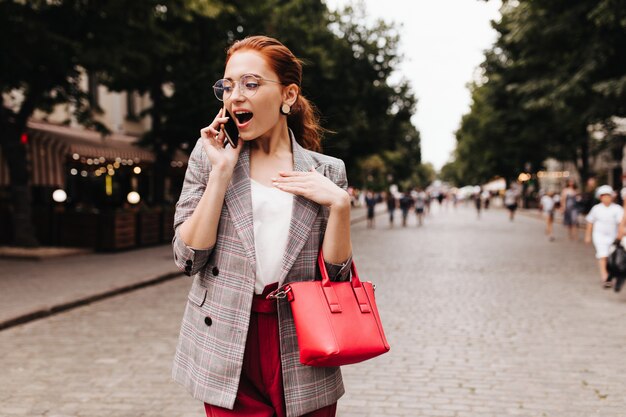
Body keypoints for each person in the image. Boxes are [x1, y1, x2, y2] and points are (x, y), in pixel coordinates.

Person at [171, 36, 352, 417]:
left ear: (288, 95)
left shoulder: (327, 170)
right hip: (225, 338)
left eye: (251, 84)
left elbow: (336, 278)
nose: (236, 95)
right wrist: (220, 174)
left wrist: (339, 205)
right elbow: (188, 258)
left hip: (303, 341)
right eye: (228, 85)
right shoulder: (210, 158)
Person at [584, 185, 624, 288]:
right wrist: (588, 235)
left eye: (608, 196)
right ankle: (605, 277)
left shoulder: (617, 209)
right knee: (603, 255)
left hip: (613, 236)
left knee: (612, 257)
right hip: (599, 235)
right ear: (600, 197)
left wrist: (620, 236)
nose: (607, 198)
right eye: (604, 196)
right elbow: (590, 222)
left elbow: (621, 223)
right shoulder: (596, 209)